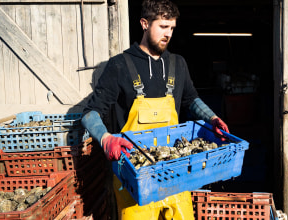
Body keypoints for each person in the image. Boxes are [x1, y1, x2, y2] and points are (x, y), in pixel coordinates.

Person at [81, 0, 229, 219]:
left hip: (175, 172)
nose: (167, 33)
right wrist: (105, 139)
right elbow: (90, 113)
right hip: (134, 175)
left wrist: (212, 117)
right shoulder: (119, 65)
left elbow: (191, 100)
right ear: (144, 23)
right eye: (162, 26)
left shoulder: (178, 64)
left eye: (171, 28)